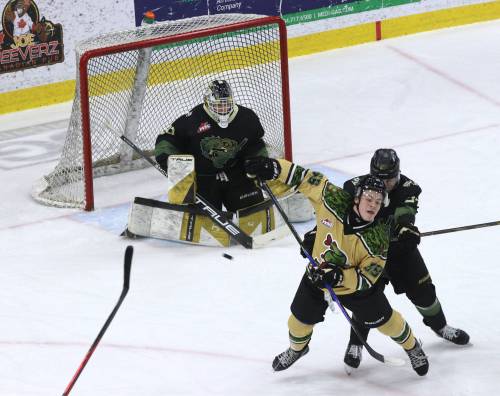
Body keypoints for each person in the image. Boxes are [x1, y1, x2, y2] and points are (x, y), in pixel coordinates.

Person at [244, 156, 430, 376]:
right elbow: (305, 177)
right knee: (297, 323)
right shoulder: (333, 200)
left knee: (388, 323)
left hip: (356, 290)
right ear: (357, 197)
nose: (373, 205)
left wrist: (340, 278)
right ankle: (298, 349)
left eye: (378, 201)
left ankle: (412, 347)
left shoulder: (378, 238)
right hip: (317, 278)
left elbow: (367, 278)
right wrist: (274, 167)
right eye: (369, 198)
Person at [335, 148, 469, 373]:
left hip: (400, 252)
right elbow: (336, 211)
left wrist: (406, 229)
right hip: (369, 253)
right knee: (366, 298)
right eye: (380, 179)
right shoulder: (355, 186)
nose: (385, 184)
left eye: (390, 178)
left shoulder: (409, 187)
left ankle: (441, 327)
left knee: (424, 292)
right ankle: (356, 343)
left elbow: (405, 212)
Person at [155, 79, 268, 212]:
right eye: (218, 105)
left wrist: (258, 161)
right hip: (202, 178)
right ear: (207, 102)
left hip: (235, 173)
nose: (223, 109)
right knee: (198, 221)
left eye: (226, 104)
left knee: (252, 213)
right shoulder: (193, 119)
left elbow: (256, 144)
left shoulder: (247, 117)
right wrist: (168, 160)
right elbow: (167, 139)